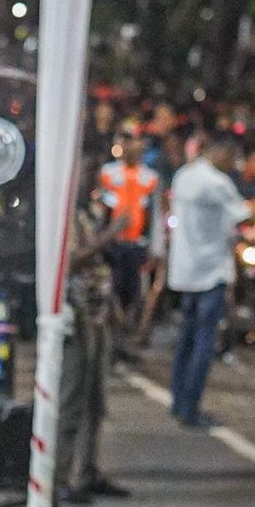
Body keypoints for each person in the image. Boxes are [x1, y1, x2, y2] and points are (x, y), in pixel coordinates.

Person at [164, 127, 242, 427]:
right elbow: (241, 215)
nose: (233, 165)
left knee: (186, 338)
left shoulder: (184, 175)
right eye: (231, 158)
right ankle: (190, 407)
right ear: (220, 152)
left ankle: (177, 399)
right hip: (210, 272)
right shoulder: (217, 182)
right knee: (203, 343)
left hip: (184, 269)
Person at [56, 207, 129, 506]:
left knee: (95, 401)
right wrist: (110, 235)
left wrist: (113, 306)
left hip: (96, 312)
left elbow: (98, 264)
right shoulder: (61, 210)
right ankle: (59, 477)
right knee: (72, 399)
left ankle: (87, 470)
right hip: (74, 312)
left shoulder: (85, 211)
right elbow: (69, 262)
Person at [93, 136, 159, 361]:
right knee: (109, 292)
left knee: (133, 294)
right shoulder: (109, 173)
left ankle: (124, 340)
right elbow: (100, 206)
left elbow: (155, 214)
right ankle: (108, 342)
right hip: (111, 244)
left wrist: (155, 246)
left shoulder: (149, 178)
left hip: (136, 244)